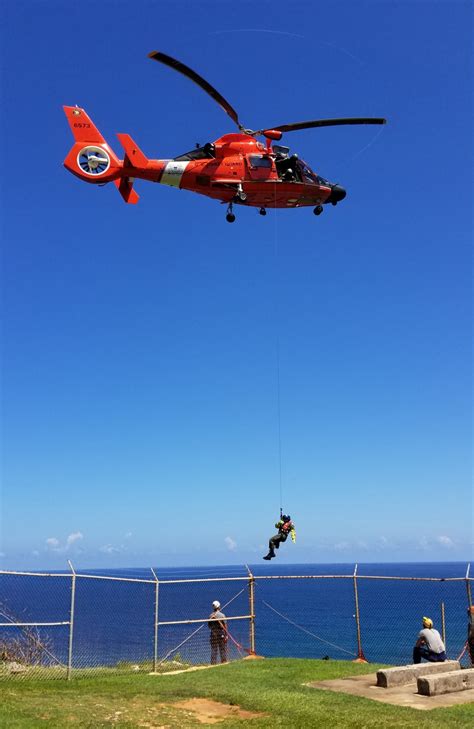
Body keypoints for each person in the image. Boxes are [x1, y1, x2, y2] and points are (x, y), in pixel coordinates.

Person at [208, 600, 228, 664]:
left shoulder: (210, 616)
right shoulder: (222, 615)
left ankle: (213, 663)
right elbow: (225, 626)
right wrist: (226, 635)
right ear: (219, 607)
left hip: (213, 634)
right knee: (222, 648)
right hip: (220, 633)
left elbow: (209, 626)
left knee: (214, 649)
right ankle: (223, 661)